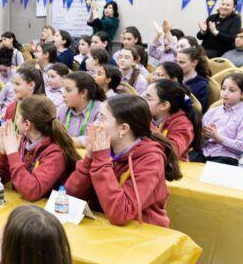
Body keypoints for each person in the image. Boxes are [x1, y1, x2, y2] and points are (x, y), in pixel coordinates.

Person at [65, 94, 182, 226]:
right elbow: (70, 196)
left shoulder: (151, 159)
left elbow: (121, 213)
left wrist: (101, 161)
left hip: (142, 230)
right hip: (102, 224)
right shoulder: (106, 150)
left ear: (123, 128)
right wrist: (89, 158)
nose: (95, 124)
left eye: (102, 118)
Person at [0, 95, 79, 201]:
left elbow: (32, 191)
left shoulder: (55, 154)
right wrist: (2, 154)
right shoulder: (21, 142)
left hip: (44, 209)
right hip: (22, 204)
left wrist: (12, 153)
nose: (15, 120)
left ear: (27, 124)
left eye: (18, 117)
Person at [195, 72, 243, 165]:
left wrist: (217, 137)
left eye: (232, 90)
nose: (225, 93)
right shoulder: (212, 111)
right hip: (204, 153)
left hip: (227, 157)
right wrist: (205, 137)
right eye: (223, 89)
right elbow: (198, 142)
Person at [144, 79, 202, 161]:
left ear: (164, 105)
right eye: (144, 96)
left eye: (148, 98)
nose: (143, 101)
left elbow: (171, 152)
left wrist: (147, 126)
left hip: (171, 166)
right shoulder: (150, 116)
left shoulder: (183, 125)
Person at [56, 71, 106, 147]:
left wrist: (65, 141)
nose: (63, 95)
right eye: (64, 90)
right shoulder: (62, 109)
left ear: (83, 93)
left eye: (68, 90)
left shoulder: (101, 110)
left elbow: (97, 138)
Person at [177, 46, 211, 110]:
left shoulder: (201, 85)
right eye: (177, 61)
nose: (177, 65)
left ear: (194, 63)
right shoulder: (174, 78)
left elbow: (196, 110)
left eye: (181, 62)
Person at [0, 48, 17, 121]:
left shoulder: (15, 77)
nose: (2, 73)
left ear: (10, 67)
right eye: (0, 70)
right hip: (0, 103)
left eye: (5, 70)